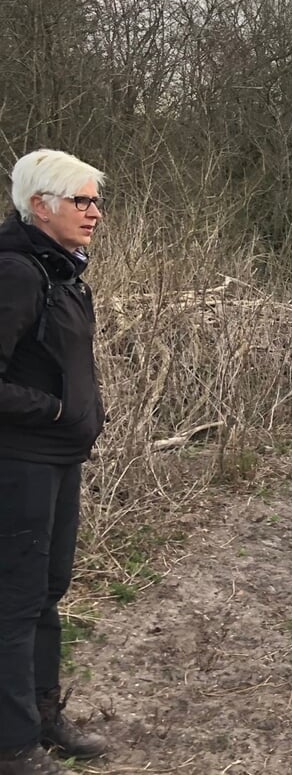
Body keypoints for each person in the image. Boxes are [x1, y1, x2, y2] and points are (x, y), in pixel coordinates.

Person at [0, 149, 111, 773]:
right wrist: (51, 410)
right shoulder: (16, 271)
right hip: (18, 462)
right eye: (82, 200)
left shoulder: (61, 269)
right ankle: (12, 744)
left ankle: (43, 715)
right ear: (41, 205)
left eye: (97, 200)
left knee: (47, 590)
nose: (94, 212)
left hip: (59, 458)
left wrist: (80, 411)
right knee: (14, 599)